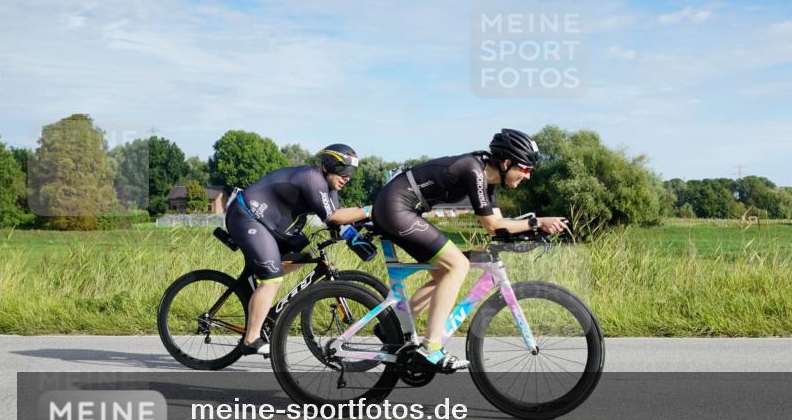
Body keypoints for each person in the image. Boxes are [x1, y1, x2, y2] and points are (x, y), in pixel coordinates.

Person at [371, 128, 568, 371]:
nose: (527, 176)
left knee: (444, 273)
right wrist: (537, 222)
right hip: (396, 208)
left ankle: (392, 328)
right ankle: (430, 348)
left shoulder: (487, 181)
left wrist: (534, 230)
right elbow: (493, 225)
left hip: (400, 209)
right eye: (525, 169)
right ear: (507, 163)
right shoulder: (473, 170)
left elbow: (497, 228)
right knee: (458, 265)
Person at [225, 144, 372, 355]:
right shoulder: (312, 177)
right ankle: (250, 340)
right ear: (327, 166)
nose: (348, 177)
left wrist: (361, 235)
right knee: (273, 280)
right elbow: (333, 217)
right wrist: (370, 210)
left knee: (307, 254)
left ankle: (262, 281)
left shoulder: (330, 189)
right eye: (344, 171)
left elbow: (337, 221)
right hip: (247, 215)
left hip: (271, 224)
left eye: (351, 173)